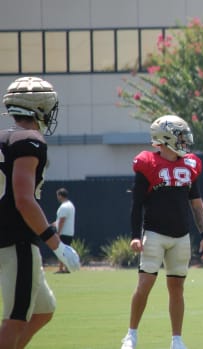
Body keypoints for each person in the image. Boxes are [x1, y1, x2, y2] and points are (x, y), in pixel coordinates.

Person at [0, 76, 80, 349]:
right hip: (16, 238)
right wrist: (56, 244)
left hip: (5, 234)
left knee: (43, 309)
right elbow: (24, 199)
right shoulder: (30, 140)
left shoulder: (4, 138)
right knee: (16, 317)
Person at [120, 115, 203, 349]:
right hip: (155, 233)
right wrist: (134, 235)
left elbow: (197, 202)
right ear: (165, 138)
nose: (184, 141)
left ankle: (177, 340)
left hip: (181, 235)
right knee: (145, 284)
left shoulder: (190, 163)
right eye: (180, 136)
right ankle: (131, 334)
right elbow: (137, 204)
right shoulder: (147, 163)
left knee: (177, 288)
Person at [53, 187, 76, 274]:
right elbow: (60, 220)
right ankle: (66, 268)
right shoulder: (70, 205)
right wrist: (52, 224)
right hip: (69, 232)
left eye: (57, 195)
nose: (57, 197)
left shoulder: (64, 206)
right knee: (66, 251)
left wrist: (58, 233)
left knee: (61, 251)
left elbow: (62, 220)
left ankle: (61, 269)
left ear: (60, 196)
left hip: (63, 232)